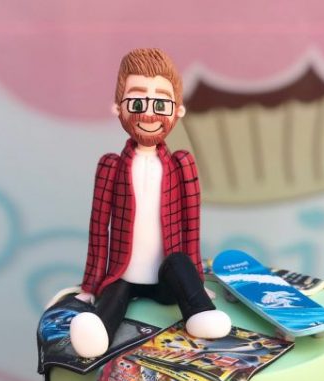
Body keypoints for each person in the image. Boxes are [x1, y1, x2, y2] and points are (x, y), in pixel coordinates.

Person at [69, 48, 231, 358]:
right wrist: (90, 285)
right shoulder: (111, 166)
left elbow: (191, 228)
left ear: (178, 111)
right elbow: (98, 229)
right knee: (113, 296)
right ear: (118, 108)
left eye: (161, 104)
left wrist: (195, 281)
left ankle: (199, 311)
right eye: (137, 103)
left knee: (179, 262)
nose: (148, 114)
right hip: (124, 273)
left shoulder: (181, 165)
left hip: (166, 278)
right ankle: (98, 332)